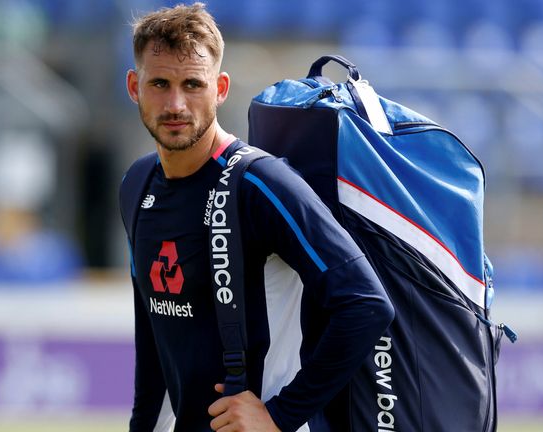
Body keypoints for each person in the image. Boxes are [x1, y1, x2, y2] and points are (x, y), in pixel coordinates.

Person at [121, 3, 394, 431]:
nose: (176, 103)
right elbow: (153, 341)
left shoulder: (260, 183)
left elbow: (366, 304)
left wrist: (279, 416)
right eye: (160, 83)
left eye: (193, 84)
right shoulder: (136, 184)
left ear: (221, 88)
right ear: (135, 86)